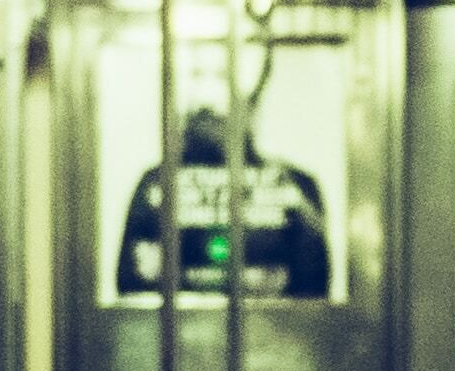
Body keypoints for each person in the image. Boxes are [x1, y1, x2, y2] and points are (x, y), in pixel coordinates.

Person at [118, 107, 333, 301]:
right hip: (271, 337)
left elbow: (133, 289)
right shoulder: (293, 184)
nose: (210, 102)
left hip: (185, 337)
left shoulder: (157, 183)